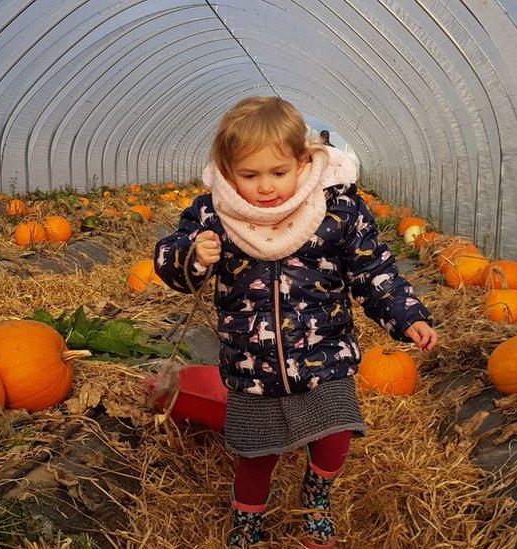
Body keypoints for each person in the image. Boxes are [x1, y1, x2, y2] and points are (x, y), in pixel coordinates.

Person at [155, 96, 437, 547]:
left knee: (335, 432)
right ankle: (248, 519)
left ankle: (317, 495)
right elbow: (170, 261)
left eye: (277, 172)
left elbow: (372, 268)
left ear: (302, 161)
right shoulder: (213, 214)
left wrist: (406, 317)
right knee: (255, 453)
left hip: (325, 353)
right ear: (228, 172)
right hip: (252, 364)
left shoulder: (335, 209)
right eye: (249, 175)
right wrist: (192, 256)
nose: (265, 187)